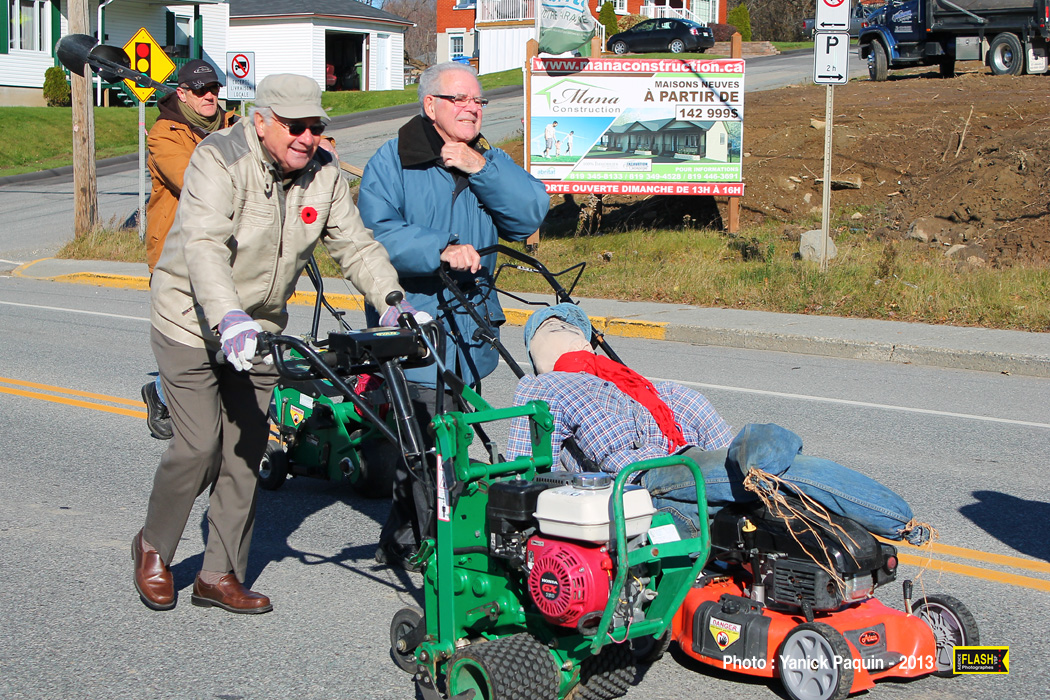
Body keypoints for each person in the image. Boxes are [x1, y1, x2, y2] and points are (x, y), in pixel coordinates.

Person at [133, 74, 408, 614]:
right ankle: (153, 546)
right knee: (198, 446)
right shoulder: (218, 159)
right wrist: (227, 317)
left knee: (245, 449)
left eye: (316, 127)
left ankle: (218, 574)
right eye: (294, 126)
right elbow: (205, 247)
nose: (307, 137)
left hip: (259, 329)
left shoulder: (322, 176)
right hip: (190, 319)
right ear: (261, 122)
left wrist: (394, 298)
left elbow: (354, 245)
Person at [505, 304, 928, 545]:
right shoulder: (656, 388)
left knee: (761, 474)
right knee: (764, 472)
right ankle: (896, 523)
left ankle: (888, 523)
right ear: (586, 338)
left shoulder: (542, 388)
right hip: (668, 472)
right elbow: (720, 441)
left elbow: (523, 470)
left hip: (648, 475)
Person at [357, 61, 549, 569]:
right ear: (431, 106)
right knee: (432, 441)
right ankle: (444, 553)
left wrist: (480, 168)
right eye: (460, 100)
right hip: (416, 322)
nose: (472, 108)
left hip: (471, 324)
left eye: (478, 101)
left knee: (449, 435)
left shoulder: (485, 158)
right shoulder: (392, 161)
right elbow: (374, 236)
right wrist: (440, 248)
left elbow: (530, 213)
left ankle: (402, 539)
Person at [140, 59, 237, 441]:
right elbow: (192, 180)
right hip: (176, 253)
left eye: (214, 88)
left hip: (226, 247)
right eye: (201, 90)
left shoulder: (234, 125)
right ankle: (162, 394)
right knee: (191, 340)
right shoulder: (164, 135)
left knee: (226, 331)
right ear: (182, 94)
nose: (210, 95)